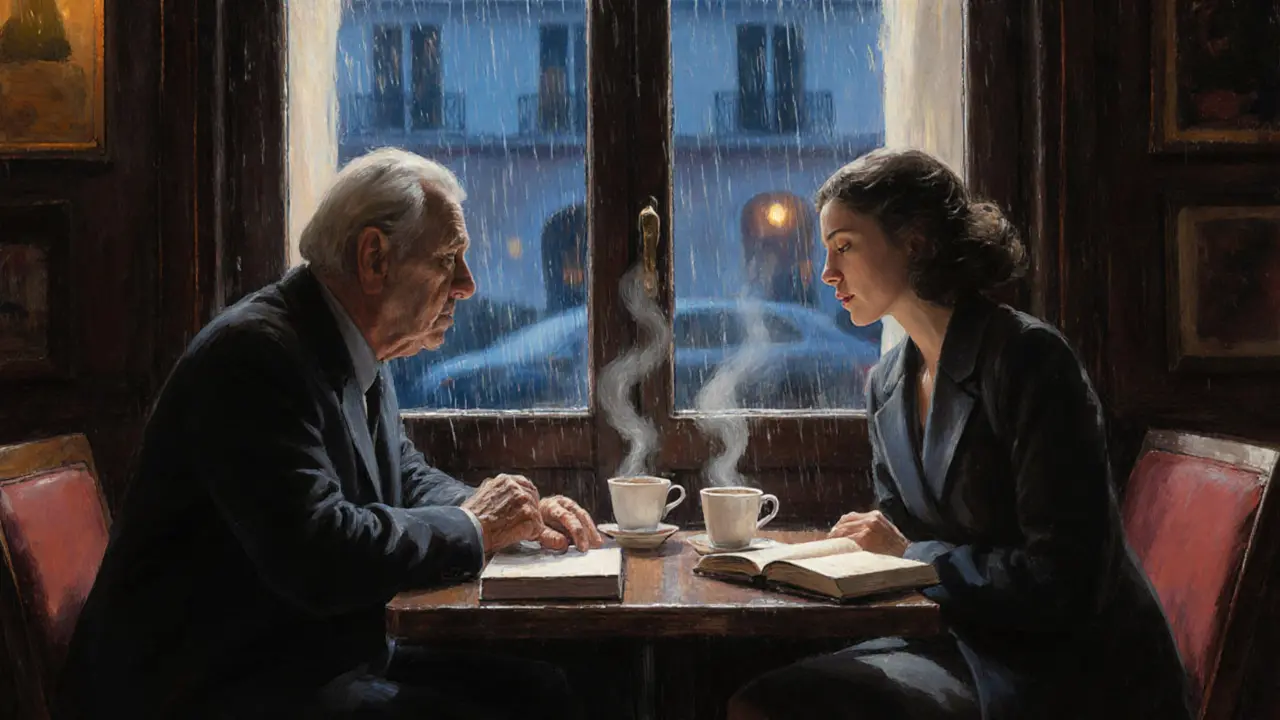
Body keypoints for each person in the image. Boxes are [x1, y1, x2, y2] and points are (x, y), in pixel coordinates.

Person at [56, 148, 604, 719]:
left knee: (543, 690)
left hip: (297, 661)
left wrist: (511, 514)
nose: (468, 284)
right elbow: (319, 550)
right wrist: (474, 525)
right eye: (449, 259)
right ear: (374, 259)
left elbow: (404, 477)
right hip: (205, 687)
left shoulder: (342, 345)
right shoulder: (255, 357)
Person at [727, 148, 1193, 720]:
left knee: (784, 707)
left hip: (1070, 671)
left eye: (844, 245)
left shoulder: (1027, 358)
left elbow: (1063, 579)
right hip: (957, 641)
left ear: (916, 241)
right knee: (763, 698)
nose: (826, 272)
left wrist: (911, 556)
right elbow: (903, 538)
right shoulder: (888, 384)